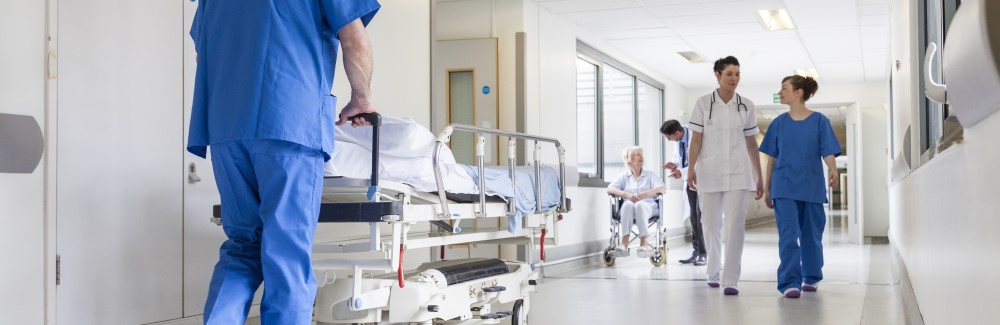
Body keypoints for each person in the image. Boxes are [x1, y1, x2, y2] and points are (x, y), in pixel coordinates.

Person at [187, 1, 381, 323]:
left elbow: (201, 53)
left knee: (242, 246)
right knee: (286, 251)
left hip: (226, 128)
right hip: (289, 123)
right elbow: (353, 37)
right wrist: (362, 99)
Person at [686, 56, 764, 295]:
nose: (734, 79)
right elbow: (696, 139)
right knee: (709, 224)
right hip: (708, 173)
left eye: (738, 74)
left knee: (735, 226)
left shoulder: (746, 105)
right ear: (718, 75)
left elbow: (751, 144)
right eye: (729, 74)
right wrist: (690, 169)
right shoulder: (702, 103)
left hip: (739, 174)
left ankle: (730, 279)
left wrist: (758, 176)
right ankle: (713, 269)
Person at [759, 75, 841, 299]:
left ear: (798, 93)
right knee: (788, 235)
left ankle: (811, 276)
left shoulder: (819, 121)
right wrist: (768, 188)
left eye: (784, 88)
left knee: (811, 235)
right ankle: (789, 282)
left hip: (811, 185)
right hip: (784, 186)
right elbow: (772, 159)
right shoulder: (778, 123)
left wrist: (833, 169)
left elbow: (827, 150)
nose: (780, 91)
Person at [661, 120, 706, 266]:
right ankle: (696, 251)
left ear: (678, 132)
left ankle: (704, 254)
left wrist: (683, 171)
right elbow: (683, 161)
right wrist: (674, 166)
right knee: (693, 217)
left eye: (669, 137)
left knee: (701, 217)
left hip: (702, 180)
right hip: (690, 181)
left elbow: (701, 160)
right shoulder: (679, 140)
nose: (669, 140)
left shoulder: (696, 135)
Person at [607, 146, 666, 258]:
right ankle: (624, 243)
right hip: (627, 211)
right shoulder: (624, 176)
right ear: (629, 160)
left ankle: (644, 244)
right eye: (637, 154)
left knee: (639, 204)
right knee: (628, 203)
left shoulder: (650, 175)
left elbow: (662, 189)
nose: (642, 157)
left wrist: (642, 195)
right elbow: (610, 189)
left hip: (648, 208)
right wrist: (626, 195)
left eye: (642, 154)